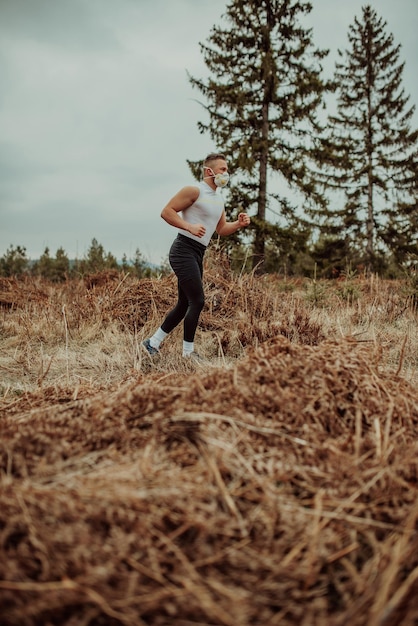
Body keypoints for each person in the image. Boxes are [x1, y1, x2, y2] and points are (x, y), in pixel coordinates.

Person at [142, 152, 251, 361]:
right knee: (198, 301)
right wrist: (188, 226)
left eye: (227, 170)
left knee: (185, 303)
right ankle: (188, 354)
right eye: (223, 170)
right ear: (209, 171)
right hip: (182, 249)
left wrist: (238, 224)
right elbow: (167, 212)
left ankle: (152, 343)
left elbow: (220, 229)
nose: (226, 174)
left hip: (198, 252)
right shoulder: (194, 190)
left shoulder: (219, 198)